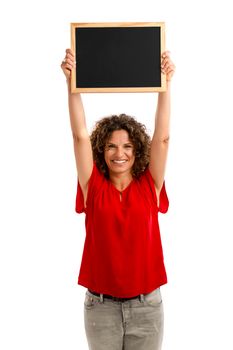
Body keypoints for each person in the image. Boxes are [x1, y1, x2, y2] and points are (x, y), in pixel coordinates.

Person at [61, 48, 175, 350]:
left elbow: (162, 138)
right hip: (101, 310)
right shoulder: (93, 187)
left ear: (137, 150)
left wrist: (167, 84)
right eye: (111, 146)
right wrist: (72, 85)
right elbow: (79, 136)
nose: (119, 153)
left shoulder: (149, 186)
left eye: (126, 146)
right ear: (102, 151)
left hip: (147, 308)